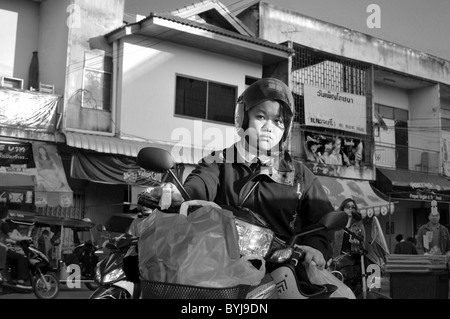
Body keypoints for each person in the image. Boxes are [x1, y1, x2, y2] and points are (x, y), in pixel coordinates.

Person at [144, 78, 335, 277]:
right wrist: (180, 195)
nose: (270, 127)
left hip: (280, 272)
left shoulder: (301, 176)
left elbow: (321, 223)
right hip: (218, 268)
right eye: (261, 117)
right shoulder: (218, 161)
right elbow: (199, 185)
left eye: (278, 121)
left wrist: (314, 248)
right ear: (243, 119)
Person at [0, 205, 33, 288]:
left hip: (3, 248)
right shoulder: (3, 224)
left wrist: (12, 241)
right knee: (21, 257)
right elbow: (11, 236)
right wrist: (24, 238)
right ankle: (20, 280)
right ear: (5, 214)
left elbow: (5, 238)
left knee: (15, 258)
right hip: (2, 250)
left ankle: (14, 278)